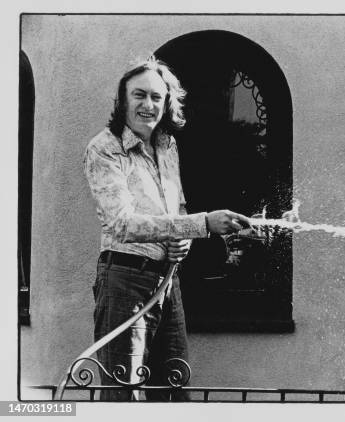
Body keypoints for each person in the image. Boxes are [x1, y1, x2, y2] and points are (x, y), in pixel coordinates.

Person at [83, 58, 250, 401]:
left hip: (168, 281)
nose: (148, 105)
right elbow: (121, 223)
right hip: (125, 279)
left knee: (174, 390)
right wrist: (202, 224)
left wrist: (183, 239)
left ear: (167, 102)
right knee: (123, 393)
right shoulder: (104, 148)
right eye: (139, 95)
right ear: (123, 100)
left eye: (157, 97)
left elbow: (179, 208)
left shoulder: (167, 145)